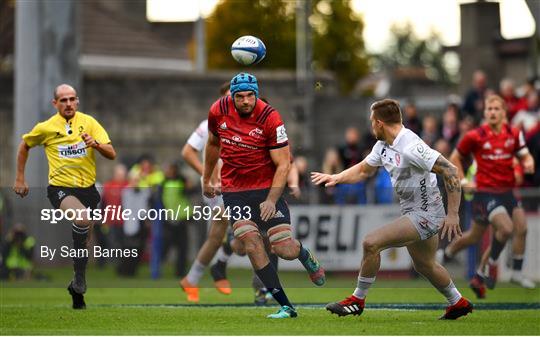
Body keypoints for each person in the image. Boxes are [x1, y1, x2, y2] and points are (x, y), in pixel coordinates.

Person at [312, 98, 473, 320]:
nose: (370, 126)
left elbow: (451, 171)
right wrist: (336, 177)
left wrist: (453, 214)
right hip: (413, 211)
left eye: (371, 122)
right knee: (425, 265)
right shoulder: (383, 146)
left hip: (426, 213)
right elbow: (363, 171)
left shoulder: (410, 146)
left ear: (379, 123)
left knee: (371, 243)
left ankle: (357, 300)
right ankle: (458, 303)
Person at [203, 72, 325, 319]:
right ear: (233, 97)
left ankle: (304, 254)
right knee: (251, 242)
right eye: (240, 96)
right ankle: (285, 306)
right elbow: (213, 144)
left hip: (266, 189)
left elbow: (283, 164)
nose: (245, 101)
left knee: (283, 249)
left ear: (256, 95)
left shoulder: (271, 117)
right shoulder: (217, 111)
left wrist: (271, 199)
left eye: (250, 96)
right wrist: (207, 178)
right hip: (235, 192)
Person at [12, 84, 116, 309]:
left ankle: (77, 287)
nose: (68, 104)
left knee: (85, 242)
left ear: (77, 101)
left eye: (71, 99)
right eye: (63, 100)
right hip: (60, 188)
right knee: (82, 219)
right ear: (55, 103)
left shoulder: (89, 123)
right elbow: (24, 145)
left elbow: (111, 153)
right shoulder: (46, 128)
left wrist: (95, 144)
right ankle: (79, 280)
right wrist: (20, 178)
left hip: (88, 190)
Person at [441, 95, 535, 297]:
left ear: (504, 113)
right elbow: (454, 158)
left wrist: (528, 162)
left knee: (521, 229)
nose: (492, 112)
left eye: (496, 109)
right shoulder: (475, 135)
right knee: (502, 230)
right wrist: (464, 182)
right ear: (485, 113)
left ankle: (512, 272)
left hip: (507, 192)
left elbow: (524, 155)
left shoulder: (514, 133)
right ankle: (451, 256)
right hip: (484, 193)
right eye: (489, 109)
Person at [179, 82, 235, 302]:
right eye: (230, 97)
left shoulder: (247, 123)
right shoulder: (209, 124)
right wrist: (207, 174)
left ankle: (192, 279)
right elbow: (187, 152)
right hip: (217, 188)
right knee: (237, 230)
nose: (234, 100)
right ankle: (218, 267)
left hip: (235, 186)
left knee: (219, 236)